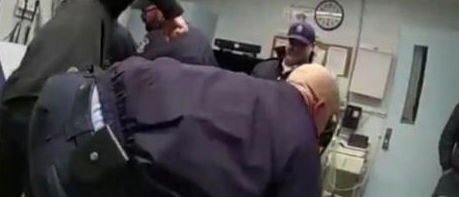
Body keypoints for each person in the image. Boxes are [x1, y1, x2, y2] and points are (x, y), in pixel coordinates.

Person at [0, 0, 188, 197]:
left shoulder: (70, 11)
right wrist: (173, 11)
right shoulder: (100, 3)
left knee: (3, 187)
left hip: (14, 100)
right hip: (42, 107)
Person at [29, 60, 340, 197]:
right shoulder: (301, 137)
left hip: (65, 93)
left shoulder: (249, 88)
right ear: (319, 108)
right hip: (90, 159)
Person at [133, 0, 218, 67]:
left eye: (145, 11)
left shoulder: (157, 36)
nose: (143, 17)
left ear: (161, 11)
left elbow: (134, 68)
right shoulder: (201, 37)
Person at [252, 21, 316, 81]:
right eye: (292, 42)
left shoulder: (312, 80)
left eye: (301, 45)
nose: (294, 48)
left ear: (312, 47)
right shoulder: (263, 68)